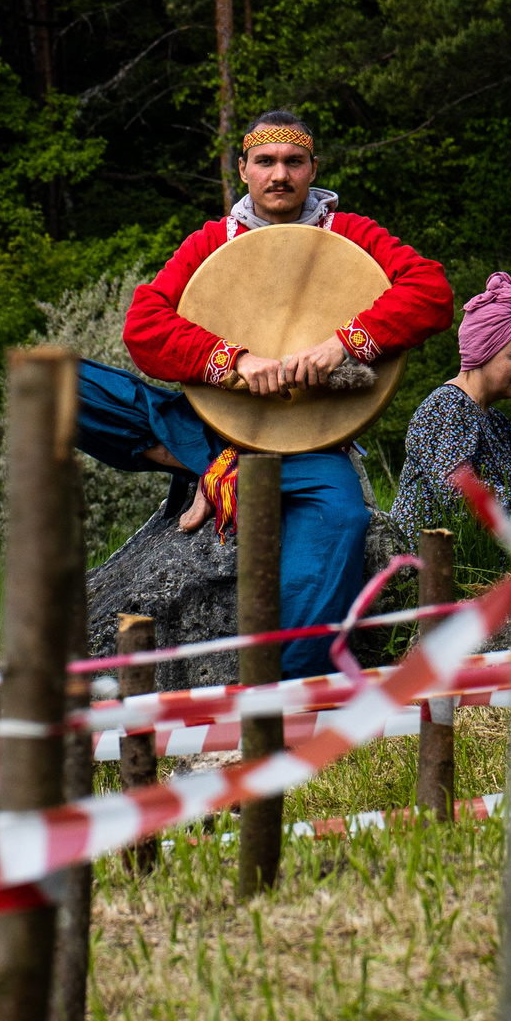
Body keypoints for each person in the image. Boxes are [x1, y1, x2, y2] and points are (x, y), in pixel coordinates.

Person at [78, 111, 453, 677]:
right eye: (266, 162)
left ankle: (289, 685)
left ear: (312, 169)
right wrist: (236, 362)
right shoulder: (212, 241)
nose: (280, 174)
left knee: (344, 520)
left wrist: (344, 345)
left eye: (293, 162)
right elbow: (144, 328)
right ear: (243, 170)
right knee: (64, 386)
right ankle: (211, 460)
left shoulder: (349, 233)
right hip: (208, 424)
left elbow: (430, 291)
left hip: (309, 445)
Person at [387, 272, 511, 545]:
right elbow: (458, 494)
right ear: (484, 352)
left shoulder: (496, 421)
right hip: (428, 569)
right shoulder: (446, 408)